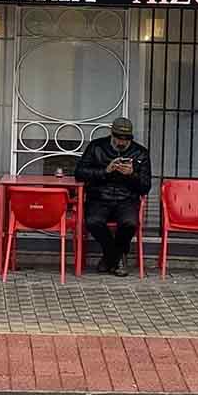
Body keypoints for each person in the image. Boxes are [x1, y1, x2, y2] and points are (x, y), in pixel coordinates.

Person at [75, 116, 153, 276]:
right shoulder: (96, 147)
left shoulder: (141, 153)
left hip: (126, 199)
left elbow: (145, 186)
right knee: (93, 221)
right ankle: (116, 257)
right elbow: (79, 174)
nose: (121, 142)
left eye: (126, 139)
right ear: (112, 134)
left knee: (130, 223)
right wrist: (106, 171)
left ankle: (109, 258)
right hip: (99, 197)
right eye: (118, 137)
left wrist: (131, 175)